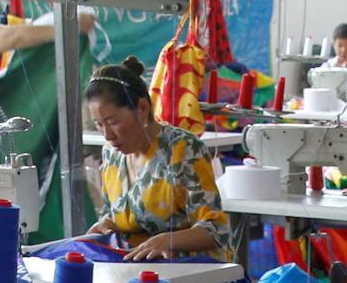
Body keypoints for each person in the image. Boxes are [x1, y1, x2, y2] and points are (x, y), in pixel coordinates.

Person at [80, 58, 235, 263]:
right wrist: (104, 227)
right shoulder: (112, 155)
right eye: (99, 125)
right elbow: (112, 213)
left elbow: (217, 229)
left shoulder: (182, 150)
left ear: (143, 108)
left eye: (113, 122)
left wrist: (168, 241)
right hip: (135, 270)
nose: (107, 135)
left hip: (191, 276)